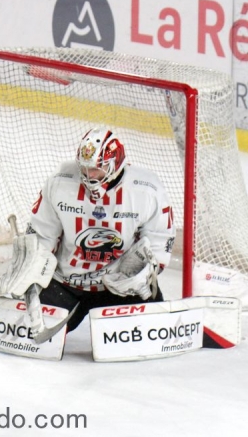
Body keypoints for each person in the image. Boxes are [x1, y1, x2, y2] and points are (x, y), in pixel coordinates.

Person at [18, 128, 176, 332]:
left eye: (97, 169)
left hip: (121, 287)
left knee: (150, 335)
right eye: (85, 168)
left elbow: (159, 239)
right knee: (26, 332)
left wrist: (144, 273)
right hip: (66, 284)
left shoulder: (146, 189)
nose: (89, 175)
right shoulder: (60, 183)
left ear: (115, 164)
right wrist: (31, 268)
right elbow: (43, 234)